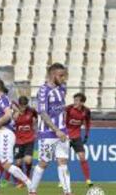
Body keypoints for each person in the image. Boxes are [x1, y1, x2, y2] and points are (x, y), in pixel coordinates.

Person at [29, 63, 72, 195]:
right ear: (53, 75)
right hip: (48, 133)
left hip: (62, 131)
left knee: (62, 161)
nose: (63, 78)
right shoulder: (43, 90)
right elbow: (43, 112)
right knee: (43, 162)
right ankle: (32, 190)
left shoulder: (62, 88)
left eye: (64, 75)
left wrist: (61, 129)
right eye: (61, 75)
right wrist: (56, 130)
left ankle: (67, 192)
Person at [0, 79, 32, 195]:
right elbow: (14, 112)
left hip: (6, 133)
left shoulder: (2, 99)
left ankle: (30, 184)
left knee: (6, 164)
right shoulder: (3, 100)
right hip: (1, 133)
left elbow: (8, 115)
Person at [66, 93, 93, 187]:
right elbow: (62, 122)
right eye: (74, 100)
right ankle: (63, 180)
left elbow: (88, 123)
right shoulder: (68, 108)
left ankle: (88, 179)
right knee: (64, 159)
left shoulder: (86, 111)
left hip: (77, 136)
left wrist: (86, 135)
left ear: (82, 102)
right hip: (66, 137)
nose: (75, 102)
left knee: (82, 157)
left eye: (77, 100)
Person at [12, 96, 37, 188]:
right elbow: (13, 120)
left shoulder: (31, 111)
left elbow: (37, 119)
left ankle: (27, 177)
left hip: (29, 139)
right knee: (18, 162)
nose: (23, 107)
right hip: (18, 140)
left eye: (25, 105)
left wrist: (35, 130)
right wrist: (17, 112)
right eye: (21, 105)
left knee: (28, 160)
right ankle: (20, 181)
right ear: (19, 104)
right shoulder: (15, 113)